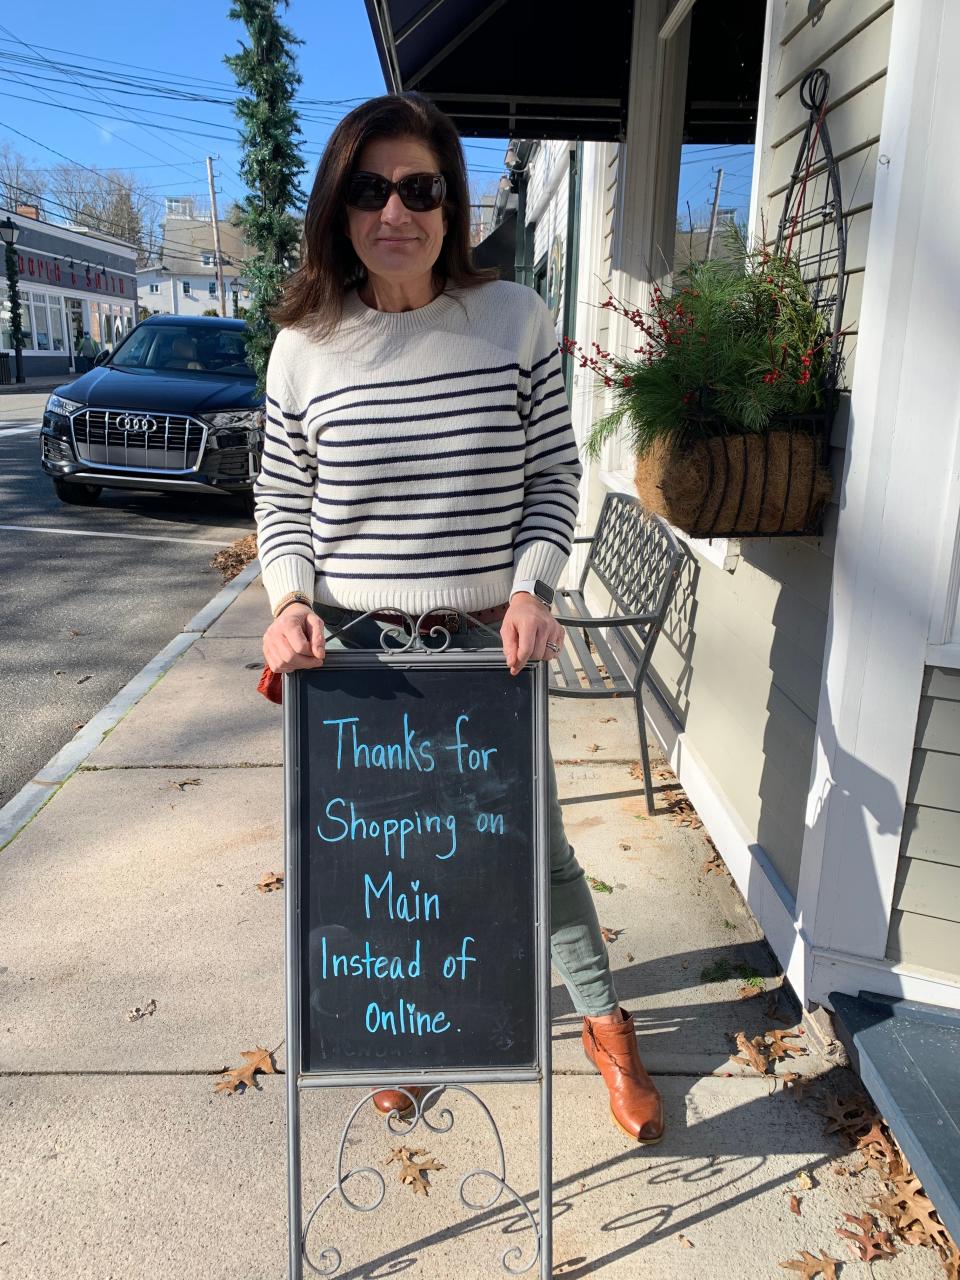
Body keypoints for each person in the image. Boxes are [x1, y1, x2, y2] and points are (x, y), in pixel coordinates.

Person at [255, 91, 664, 1145]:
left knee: (538, 851)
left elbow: (550, 479)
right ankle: (407, 1023)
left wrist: (533, 585)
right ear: (339, 207)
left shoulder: (514, 319)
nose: (398, 210)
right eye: (372, 188)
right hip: (355, 663)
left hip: (485, 644)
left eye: (421, 188)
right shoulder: (304, 347)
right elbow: (282, 500)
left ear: (453, 202)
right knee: (382, 859)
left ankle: (605, 1022)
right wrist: (286, 602)